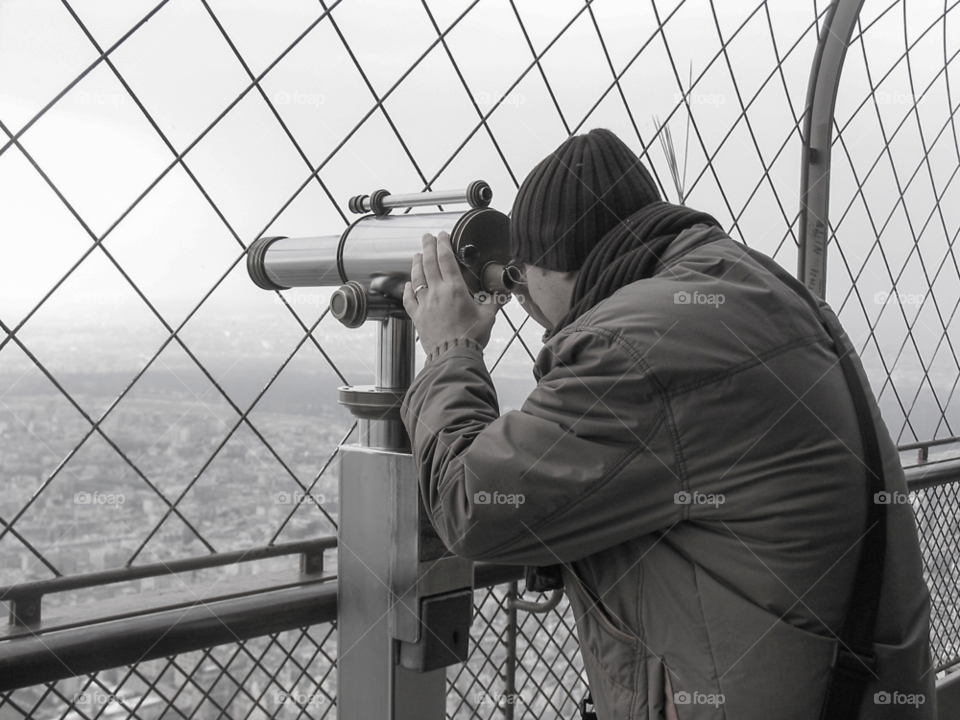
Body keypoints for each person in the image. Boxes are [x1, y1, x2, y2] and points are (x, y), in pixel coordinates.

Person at [400, 128, 934, 719]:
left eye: (523, 277)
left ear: (560, 267)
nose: (522, 301)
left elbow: (470, 504)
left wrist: (451, 351)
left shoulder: (635, 347)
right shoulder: (751, 288)